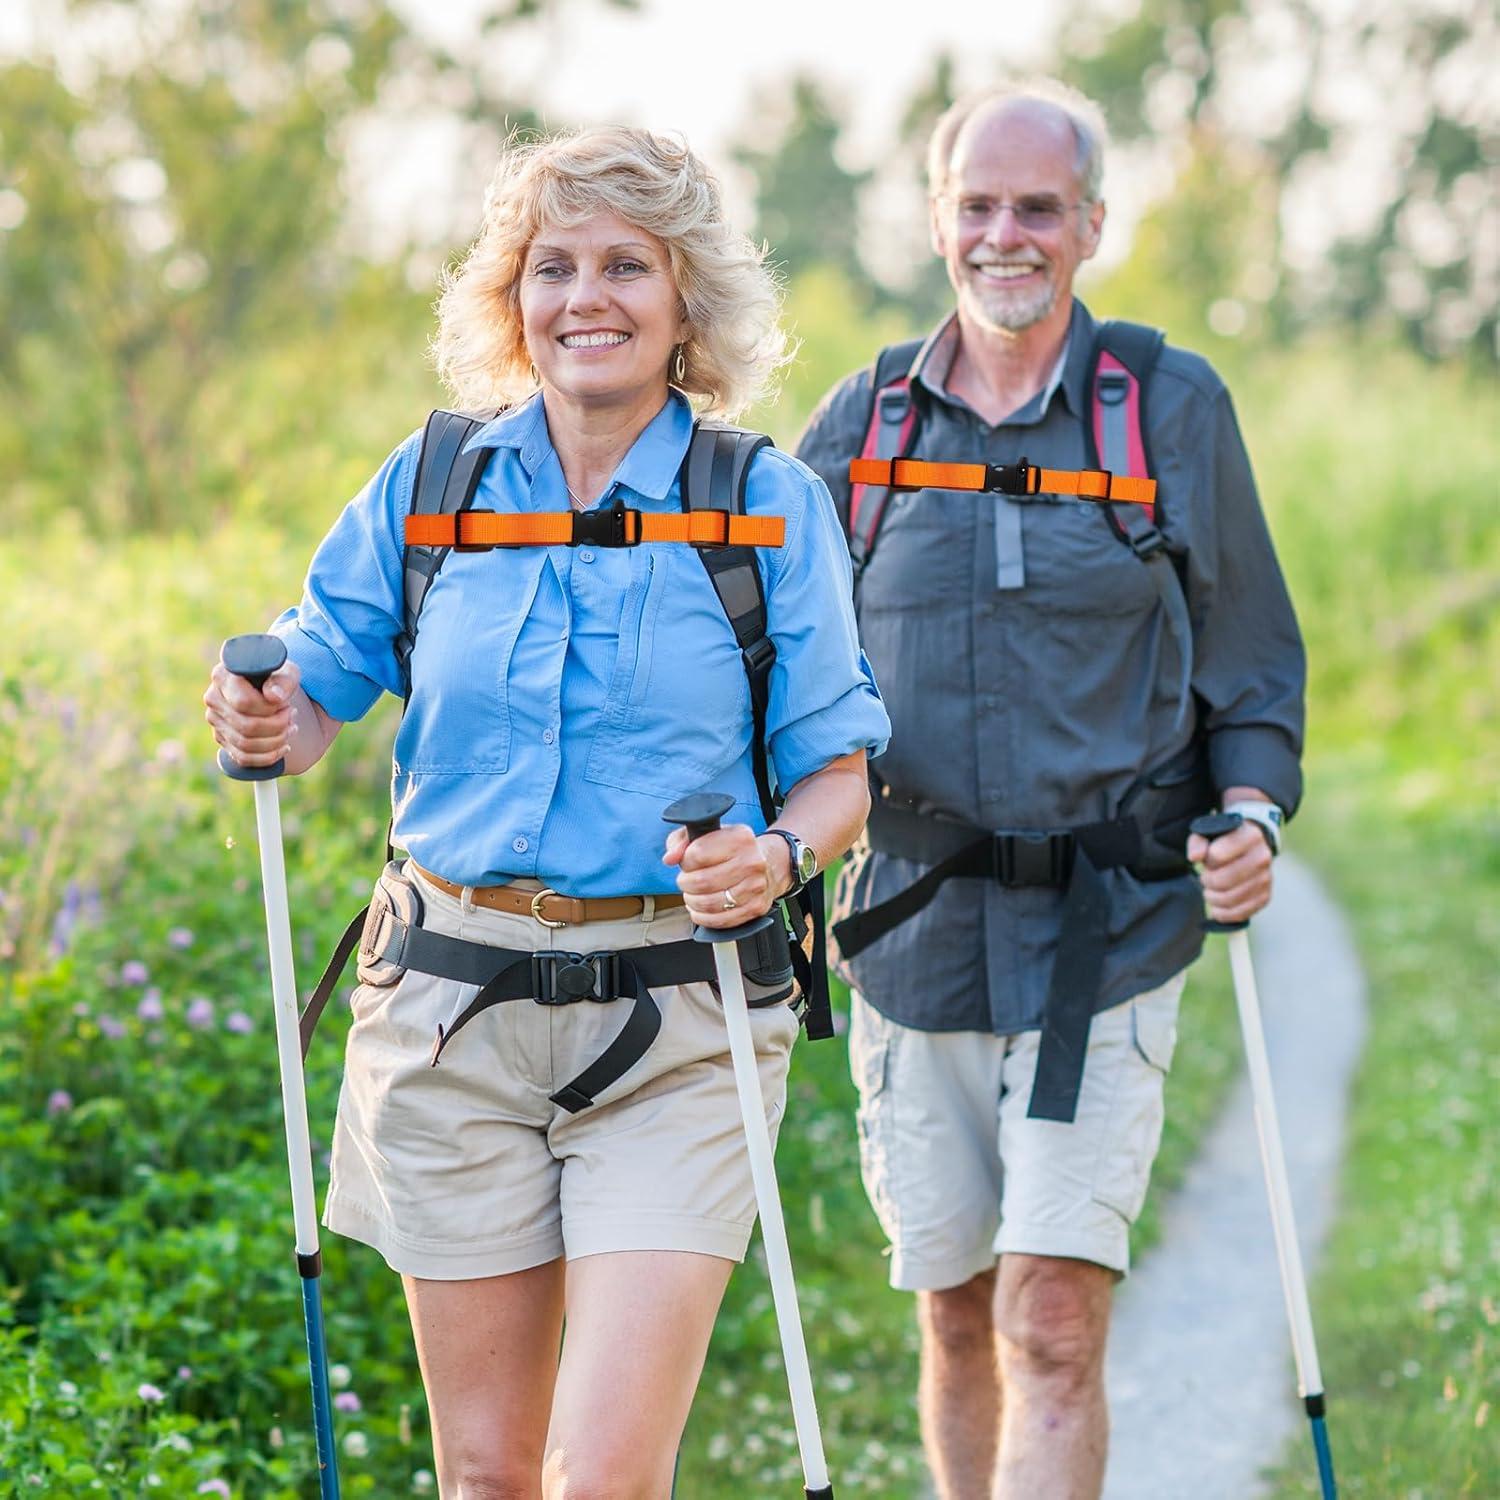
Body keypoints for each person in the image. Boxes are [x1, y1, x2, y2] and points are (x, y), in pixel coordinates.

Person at [203, 125, 888, 1498]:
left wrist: (774, 858)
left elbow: (840, 774)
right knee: (487, 1477)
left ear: (686, 299)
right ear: (511, 297)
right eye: (552, 265)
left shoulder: (763, 502)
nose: (587, 298)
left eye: (627, 265)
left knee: (608, 1477)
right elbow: (318, 684)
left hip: (678, 1023)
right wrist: (268, 716)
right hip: (447, 1012)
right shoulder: (435, 482)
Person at [795, 79, 1305, 1498]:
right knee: (959, 1312)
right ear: (936, 221)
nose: (1004, 234)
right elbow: (763, 649)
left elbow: (1253, 669)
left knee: (1053, 1321)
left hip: (1109, 935)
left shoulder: (1171, 408)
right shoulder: (863, 424)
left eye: (1037, 207)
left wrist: (1251, 815)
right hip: (913, 935)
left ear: (1091, 223)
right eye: (978, 206)